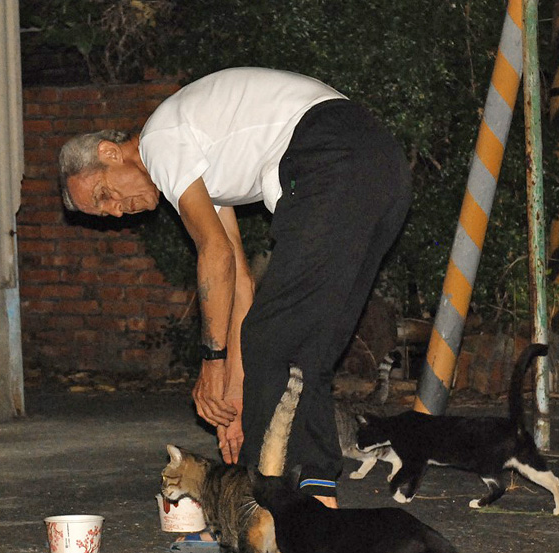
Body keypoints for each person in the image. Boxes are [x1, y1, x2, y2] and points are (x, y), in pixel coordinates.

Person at [58, 68, 411, 527]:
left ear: (110, 152)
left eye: (104, 193)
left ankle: (263, 507)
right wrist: (236, 401)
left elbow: (214, 256)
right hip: (379, 167)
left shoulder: (159, 142)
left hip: (329, 157)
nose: (115, 210)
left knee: (275, 339)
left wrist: (212, 364)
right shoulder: (196, 160)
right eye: (102, 212)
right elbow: (239, 280)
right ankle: (316, 499)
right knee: (306, 345)